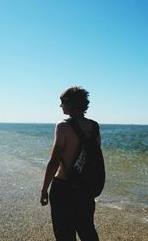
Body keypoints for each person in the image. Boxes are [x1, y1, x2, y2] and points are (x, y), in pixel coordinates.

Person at [40, 86, 101, 241]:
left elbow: (54, 161)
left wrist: (44, 189)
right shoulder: (94, 126)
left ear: (70, 103)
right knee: (87, 231)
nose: (60, 106)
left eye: (62, 102)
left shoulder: (63, 126)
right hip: (84, 188)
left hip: (63, 188)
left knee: (64, 234)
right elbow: (94, 158)